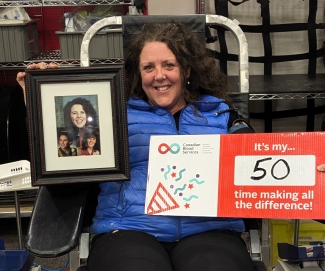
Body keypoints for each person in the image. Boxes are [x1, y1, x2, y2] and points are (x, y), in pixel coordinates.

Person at [17, 22, 258, 271]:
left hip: (210, 230)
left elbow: (254, 174)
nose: (159, 75)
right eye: (148, 67)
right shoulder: (111, 115)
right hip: (127, 230)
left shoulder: (221, 115)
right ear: (138, 74)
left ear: (187, 71)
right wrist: (39, 106)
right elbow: (67, 176)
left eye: (169, 65)